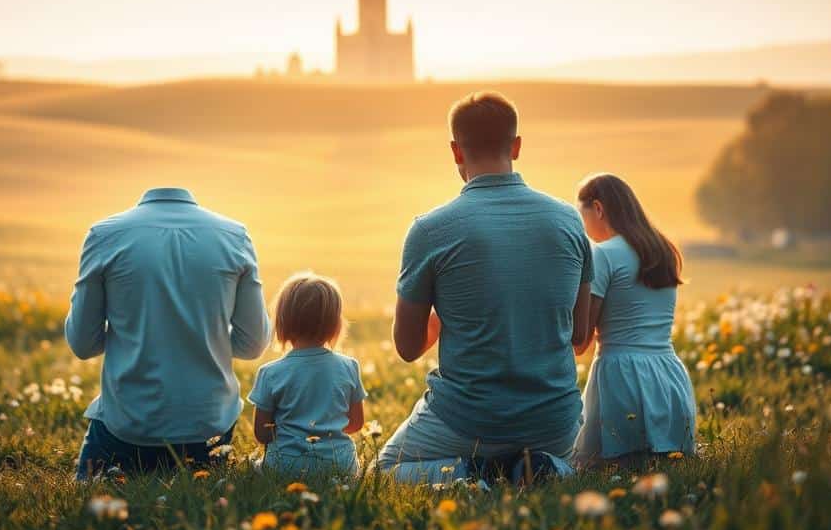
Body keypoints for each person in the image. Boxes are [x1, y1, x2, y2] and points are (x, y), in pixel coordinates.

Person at [378, 91, 593, 483]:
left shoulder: (430, 230)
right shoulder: (569, 221)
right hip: (554, 420)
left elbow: (407, 349)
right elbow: (579, 338)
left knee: (386, 470)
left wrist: (449, 312)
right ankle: (553, 469)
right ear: (516, 146)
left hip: (467, 421)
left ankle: (474, 470)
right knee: (575, 459)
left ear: (456, 152)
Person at [65, 187, 272, 479]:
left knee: (91, 500)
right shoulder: (235, 236)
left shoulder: (104, 235)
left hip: (128, 426)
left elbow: (83, 344)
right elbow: (252, 345)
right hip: (208, 428)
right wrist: (203, 338)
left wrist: (133, 332)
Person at [571, 173, 697, 467]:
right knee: (665, 469)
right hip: (669, 377)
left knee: (595, 469)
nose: (583, 227)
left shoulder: (602, 255)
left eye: (583, 215)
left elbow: (581, 341)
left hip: (621, 378)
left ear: (598, 209)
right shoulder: (663, 250)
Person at [248, 272, 368, 475]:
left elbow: (262, 434)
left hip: (286, 466)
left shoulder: (269, 373)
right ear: (336, 325)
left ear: (281, 323)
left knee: (253, 465)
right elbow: (356, 424)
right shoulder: (349, 367)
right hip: (340, 465)